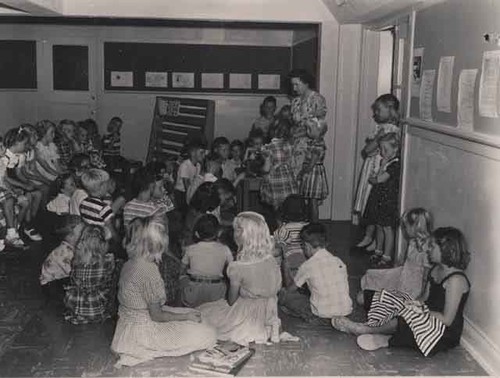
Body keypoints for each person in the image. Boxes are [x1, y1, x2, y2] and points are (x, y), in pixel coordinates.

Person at [332, 227, 471, 357]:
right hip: (425, 312)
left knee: (409, 315)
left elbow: (447, 319)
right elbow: (424, 297)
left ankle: (365, 329)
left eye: (432, 246)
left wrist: (418, 311)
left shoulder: (456, 280)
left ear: (446, 249)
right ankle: (390, 333)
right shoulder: (435, 269)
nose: (428, 250)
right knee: (374, 297)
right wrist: (412, 304)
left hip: (442, 331)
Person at [111, 216, 216, 368]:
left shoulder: (130, 262)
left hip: (126, 328)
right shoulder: (148, 269)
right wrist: (185, 316)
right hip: (143, 333)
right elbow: (157, 315)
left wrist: (186, 315)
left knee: (195, 315)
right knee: (209, 334)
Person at [197, 212, 282, 346]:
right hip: (269, 311)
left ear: (246, 234)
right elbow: (276, 288)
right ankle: (271, 326)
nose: (234, 232)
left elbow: (231, 300)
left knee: (203, 312)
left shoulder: (237, 267)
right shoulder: (271, 260)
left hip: (246, 314)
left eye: (237, 229)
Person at [353, 94, 401, 249]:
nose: (375, 114)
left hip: (378, 169)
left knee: (374, 203)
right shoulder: (382, 128)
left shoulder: (389, 130)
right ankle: (370, 237)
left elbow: (367, 150)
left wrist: (376, 140)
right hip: (373, 167)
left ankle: (372, 239)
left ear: (390, 109)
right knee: (371, 203)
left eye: (379, 110)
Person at [279, 223, 352, 325]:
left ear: (307, 246)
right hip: (346, 312)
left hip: (322, 316)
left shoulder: (308, 265)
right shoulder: (338, 261)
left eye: (303, 246)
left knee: (284, 295)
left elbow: (290, 289)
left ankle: (308, 316)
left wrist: (285, 268)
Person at [358, 208, 433, 307]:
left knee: (362, 298)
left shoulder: (427, 249)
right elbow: (405, 262)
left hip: (412, 286)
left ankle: (383, 302)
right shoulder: (412, 241)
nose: (404, 230)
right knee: (370, 275)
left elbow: (425, 278)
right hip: (403, 274)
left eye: (406, 227)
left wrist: (420, 297)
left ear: (415, 227)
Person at [289, 69, 328, 221]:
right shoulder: (295, 101)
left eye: (297, 85)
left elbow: (319, 127)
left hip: (309, 145)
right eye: (292, 85)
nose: (294, 88)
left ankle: (311, 224)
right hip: (296, 146)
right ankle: (298, 222)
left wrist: (301, 133)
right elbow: (294, 123)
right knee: (297, 186)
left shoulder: (317, 99)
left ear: (306, 83)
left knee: (308, 187)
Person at [64, 224, 116, 324]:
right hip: (96, 305)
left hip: (76, 304)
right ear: (102, 244)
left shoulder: (76, 260)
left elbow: (73, 280)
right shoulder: (106, 262)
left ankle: (81, 315)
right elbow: (107, 279)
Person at [363, 132, 401, 266]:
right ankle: (378, 250)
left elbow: (379, 179)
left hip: (388, 201)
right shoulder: (385, 162)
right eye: (381, 149)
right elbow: (378, 176)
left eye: (386, 150)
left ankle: (387, 256)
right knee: (379, 226)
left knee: (387, 228)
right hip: (380, 198)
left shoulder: (395, 165)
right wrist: (381, 165)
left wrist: (374, 177)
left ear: (395, 149)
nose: (383, 152)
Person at [180, 214, 233, 307]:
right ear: (218, 232)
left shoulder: (191, 248)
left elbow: (182, 268)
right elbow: (233, 269)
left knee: (182, 279)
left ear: (197, 233)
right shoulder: (225, 249)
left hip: (194, 290)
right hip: (216, 291)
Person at [2, 126, 43, 242]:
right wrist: (23, 186)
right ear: (17, 142)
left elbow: (18, 174)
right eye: (25, 144)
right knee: (26, 199)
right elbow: (5, 178)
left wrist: (27, 183)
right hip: (6, 184)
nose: (27, 146)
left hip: (13, 183)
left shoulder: (19, 155)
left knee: (34, 193)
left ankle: (22, 225)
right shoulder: (4, 156)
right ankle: (21, 227)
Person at [260, 120, 298, 212]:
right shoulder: (290, 146)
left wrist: (261, 171)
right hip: (288, 181)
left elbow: (266, 168)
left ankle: (279, 225)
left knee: (277, 209)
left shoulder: (267, 148)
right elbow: (293, 165)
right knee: (288, 207)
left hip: (275, 181)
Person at [40, 215, 85, 287]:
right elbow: (74, 274)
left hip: (59, 280)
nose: (84, 237)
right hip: (52, 285)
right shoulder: (65, 253)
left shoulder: (68, 247)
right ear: (71, 236)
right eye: (81, 234)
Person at [0, 134, 26, 248]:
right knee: (8, 199)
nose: (3, 149)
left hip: (2, 190)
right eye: (0, 147)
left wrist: (14, 191)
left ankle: (12, 233)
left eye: (3, 146)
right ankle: (10, 234)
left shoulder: (1, 162)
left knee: (20, 201)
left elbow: (4, 181)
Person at [273, 194, 309, 276]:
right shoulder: (309, 228)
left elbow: (278, 249)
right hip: (307, 263)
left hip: (290, 266)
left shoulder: (283, 230)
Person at [79, 168, 116, 241]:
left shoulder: (83, 202)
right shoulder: (104, 208)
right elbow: (110, 228)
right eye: (107, 184)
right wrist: (117, 240)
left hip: (87, 237)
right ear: (101, 187)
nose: (108, 187)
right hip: (101, 239)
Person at [174, 141, 203, 214]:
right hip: (181, 193)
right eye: (201, 153)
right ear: (193, 153)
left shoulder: (198, 165)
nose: (204, 155)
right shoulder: (185, 165)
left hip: (190, 190)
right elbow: (186, 185)